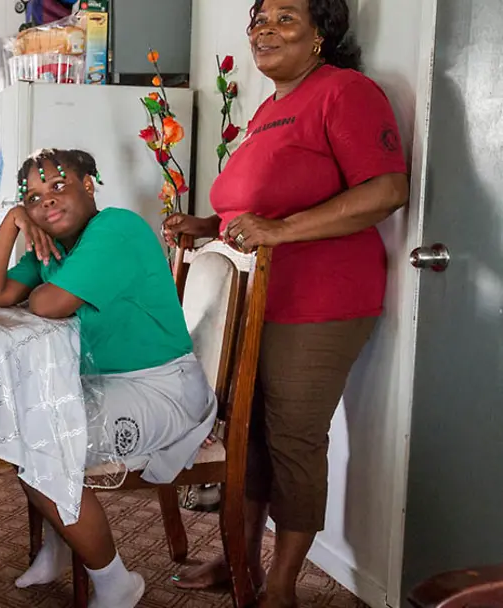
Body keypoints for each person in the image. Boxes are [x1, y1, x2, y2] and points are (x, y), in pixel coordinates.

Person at [163, 0, 409, 606]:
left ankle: (280, 584)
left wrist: (279, 232)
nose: (264, 30)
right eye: (258, 20)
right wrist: (206, 224)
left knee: (294, 438)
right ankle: (238, 558)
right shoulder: (271, 109)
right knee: (246, 433)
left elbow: (386, 190)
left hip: (322, 300)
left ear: (322, 36)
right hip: (257, 299)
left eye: (284, 19)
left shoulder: (345, 92)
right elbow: (255, 208)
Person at [0, 148, 217, 608]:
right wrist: (11, 224)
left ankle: (115, 581)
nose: (46, 201)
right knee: (20, 425)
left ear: (89, 185)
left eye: (58, 186)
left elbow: (48, 305)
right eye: (33, 197)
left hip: (162, 387)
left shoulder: (116, 228)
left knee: (43, 440)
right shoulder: (55, 246)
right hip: (110, 384)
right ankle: (64, 545)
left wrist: (41, 284)